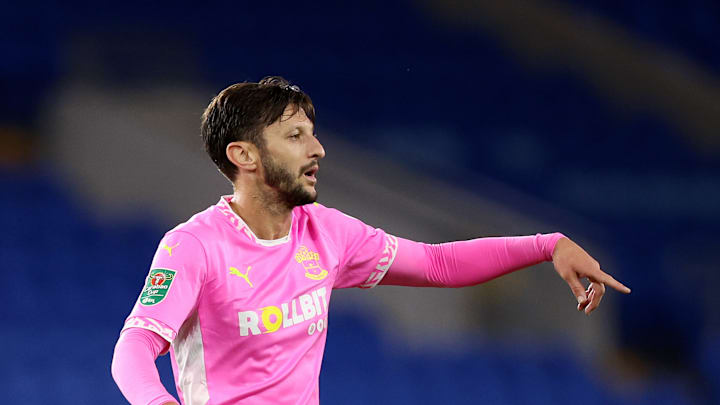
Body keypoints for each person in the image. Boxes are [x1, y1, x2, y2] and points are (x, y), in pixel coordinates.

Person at [111, 76, 631, 405]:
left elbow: (438, 264)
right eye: (295, 136)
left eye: (312, 133)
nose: (317, 148)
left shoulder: (327, 232)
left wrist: (548, 244)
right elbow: (134, 347)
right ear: (244, 156)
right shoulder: (194, 246)